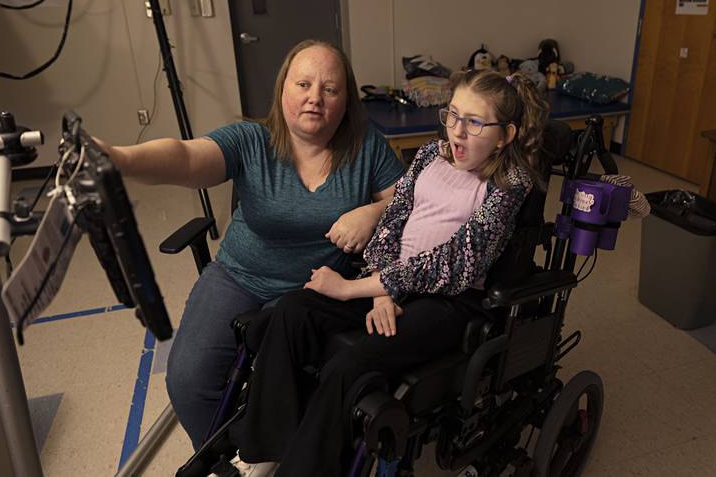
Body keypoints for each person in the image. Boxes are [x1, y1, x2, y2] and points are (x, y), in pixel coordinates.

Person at [229, 69, 549, 476]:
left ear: (504, 136)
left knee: (350, 363)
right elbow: (392, 220)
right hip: (391, 282)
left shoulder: (510, 182)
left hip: (451, 303)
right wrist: (381, 291)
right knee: (293, 310)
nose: (458, 132)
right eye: (453, 115)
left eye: (475, 123)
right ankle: (263, 451)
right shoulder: (431, 155)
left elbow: (455, 262)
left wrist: (353, 290)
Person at [98, 39, 405, 448]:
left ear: (346, 100)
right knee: (188, 379)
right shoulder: (250, 140)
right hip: (238, 275)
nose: (315, 98)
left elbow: (409, 203)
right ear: (282, 91)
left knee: (283, 391)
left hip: (314, 291)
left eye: (330, 89)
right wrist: (120, 160)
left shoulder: (367, 146)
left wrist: (371, 213)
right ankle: (224, 458)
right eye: (303, 84)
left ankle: (279, 454)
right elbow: (186, 158)